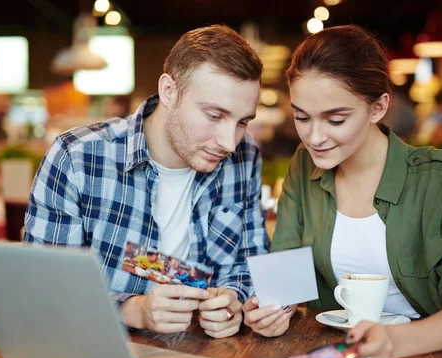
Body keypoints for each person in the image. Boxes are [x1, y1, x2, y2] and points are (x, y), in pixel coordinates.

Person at [243, 25, 442, 358]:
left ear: (378, 107)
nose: (315, 137)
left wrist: (391, 343)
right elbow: (284, 282)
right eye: (302, 117)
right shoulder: (303, 167)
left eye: (335, 119)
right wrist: (272, 310)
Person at [24, 25, 269, 338]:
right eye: (214, 115)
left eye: (243, 122)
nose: (229, 142)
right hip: (99, 351)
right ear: (169, 91)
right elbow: (45, 292)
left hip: (204, 352)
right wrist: (132, 310)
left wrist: (234, 299)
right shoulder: (78, 158)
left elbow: (251, 262)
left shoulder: (244, 155)